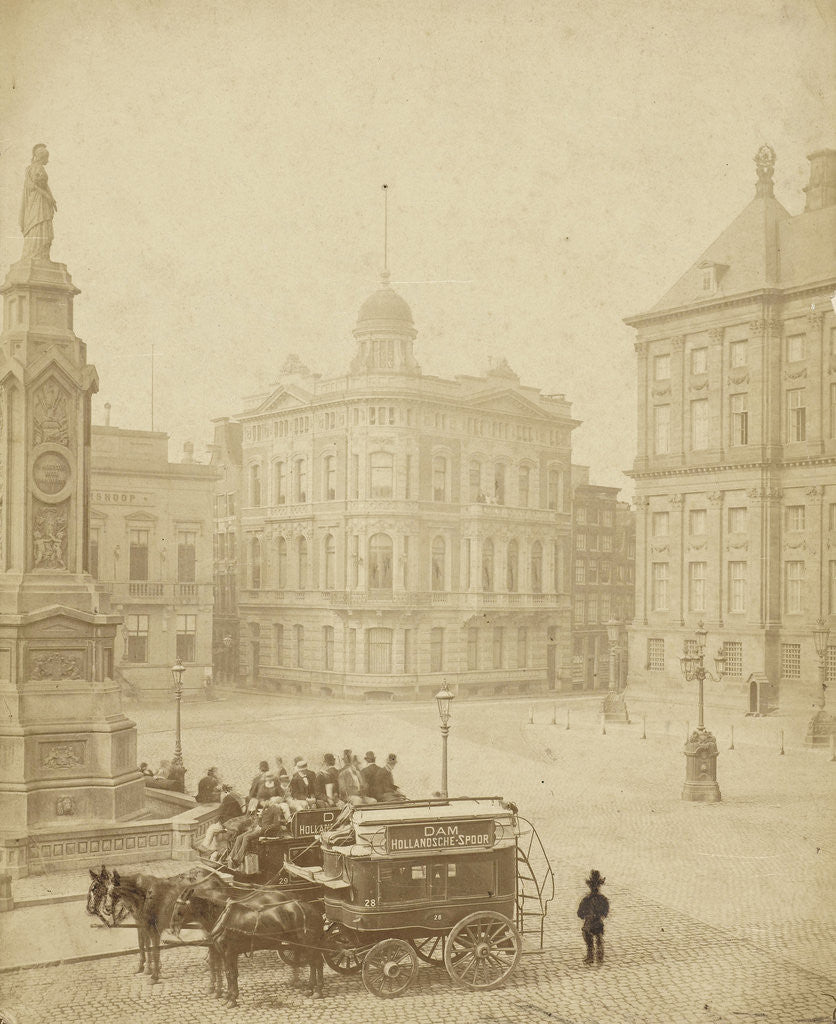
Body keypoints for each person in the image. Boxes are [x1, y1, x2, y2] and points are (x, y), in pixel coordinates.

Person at [20, 144, 57, 261]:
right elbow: (36, 185)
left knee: (42, 225)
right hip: (38, 201)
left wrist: (51, 198)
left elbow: (45, 185)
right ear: (42, 157)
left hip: (41, 200)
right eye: (46, 157)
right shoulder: (36, 168)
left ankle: (40, 255)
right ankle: (36, 255)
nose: (48, 160)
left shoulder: (36, 168)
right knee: (39, 223)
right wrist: (48, 196)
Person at [577, 869, 609, 964]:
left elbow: (580, 913)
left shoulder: (586, 899)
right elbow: (605, 912)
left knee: (588, 937)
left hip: (589, 924)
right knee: (599, 937)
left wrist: (586, 916)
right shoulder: (603, 899)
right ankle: (599, 954)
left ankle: (591, 955)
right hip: (598, 923)